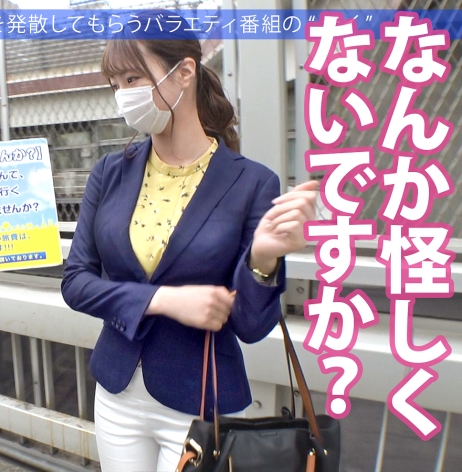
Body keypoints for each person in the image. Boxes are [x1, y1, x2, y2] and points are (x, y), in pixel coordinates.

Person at [60, 12, 319, 472]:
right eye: (115, 84)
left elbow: (250, 326)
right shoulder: (109, 173)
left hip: (202, 403)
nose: (123, 95)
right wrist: (163, 300)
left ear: (184, 72)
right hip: (116, 392)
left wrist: (263, 257)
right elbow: (76, 282)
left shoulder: (251, 183)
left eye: (133, 78)